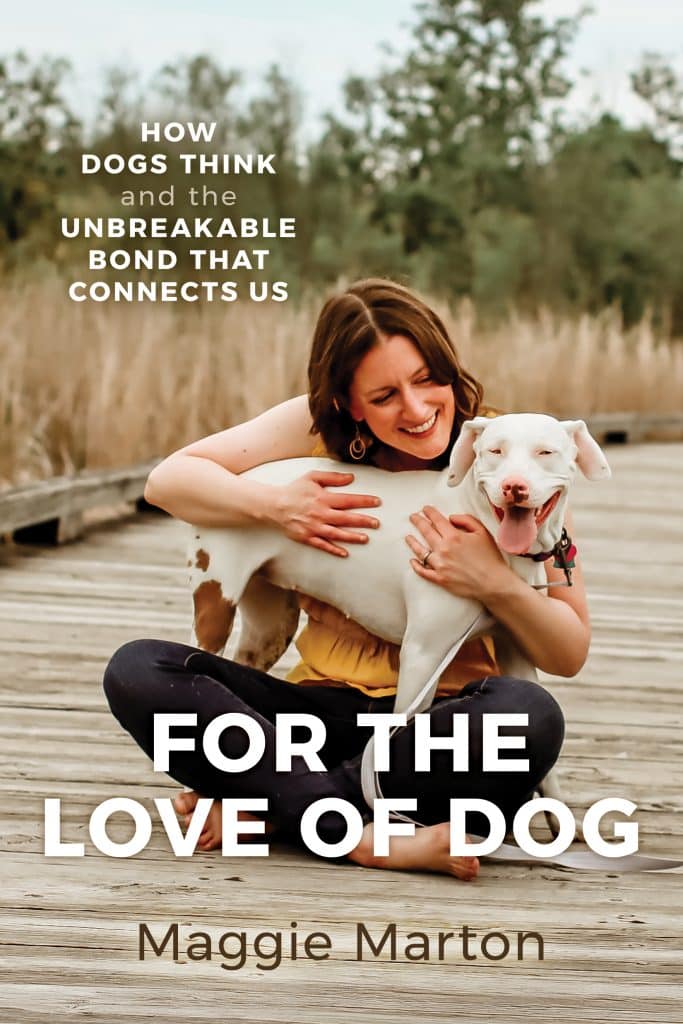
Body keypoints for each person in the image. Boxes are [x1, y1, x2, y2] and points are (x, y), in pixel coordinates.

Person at [103, 278, 588, 881]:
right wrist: (276, 509)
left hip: (437, 730)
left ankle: (279, 807)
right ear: (350, 404)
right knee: (138, 669)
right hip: (315, 719)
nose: (415, 410)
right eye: (384, 396)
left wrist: (496, 583)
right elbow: (169, 481)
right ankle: (356, 832)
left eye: (427, 379)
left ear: (448, 369)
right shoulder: (312, 429)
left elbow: (566, 652)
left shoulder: (507, 452)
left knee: (527, 716)